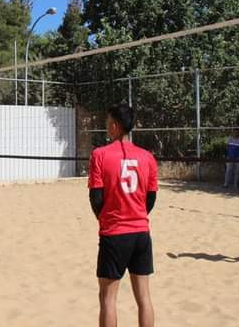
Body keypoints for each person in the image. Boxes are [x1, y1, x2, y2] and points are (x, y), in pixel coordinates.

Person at [88, 103, 158, 327]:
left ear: (115, 126)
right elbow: (151, 199)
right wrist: (136, 214)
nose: (106, 126)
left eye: (108, 122)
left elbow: (96, 198)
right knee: (144, 298)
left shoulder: (100, 155)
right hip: (141, 233)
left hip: (114, 232)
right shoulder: (147, 157)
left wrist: (108, 218)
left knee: (108, 299)